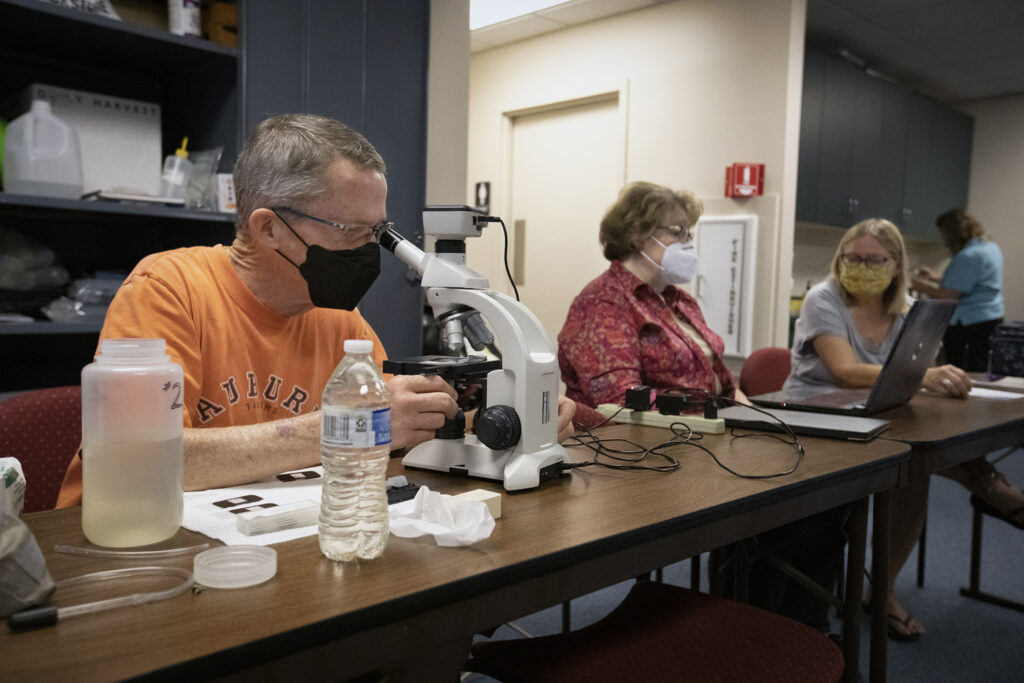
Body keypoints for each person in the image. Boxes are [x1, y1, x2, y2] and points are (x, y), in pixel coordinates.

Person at [57, 113, 575, 505]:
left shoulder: (336, 316)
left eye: (379, 232)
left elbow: (395, 436)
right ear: (269, 229)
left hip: (272, 532)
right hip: (134, 549)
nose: (369, 252)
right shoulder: (167, 290)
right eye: (352, 232)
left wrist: (519, 422)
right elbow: (138, 462)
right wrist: (354, 426)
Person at [787, 217, 1024, 641]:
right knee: (910, 458)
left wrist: (936, 376)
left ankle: (881, 590)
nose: (860, 265)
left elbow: (911, 371)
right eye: (851, 257)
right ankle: (994, 488)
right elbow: (843, 371)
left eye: (873, 259)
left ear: (896, 265)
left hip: (878, 414)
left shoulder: (912, 308)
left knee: (914, 467)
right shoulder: (823, 298)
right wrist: (925, 377)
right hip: (816, 416)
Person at [558, 181, 744, 426]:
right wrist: (706, 422)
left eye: (688, 233)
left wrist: (758, 418)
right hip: (647, 446)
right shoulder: (602, 301)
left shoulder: (679, 299)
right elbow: (621, 401)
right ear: (638, 236)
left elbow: (722, 382)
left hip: (708, 430)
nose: (686, 242)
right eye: (677, 232)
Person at [911, 208, 1004, 372]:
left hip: (969, 325)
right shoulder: (990, 247)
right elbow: (974, 281)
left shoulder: (969, 256)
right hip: (989, 318)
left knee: (964, 370)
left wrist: (920, 286)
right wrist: (936, 277)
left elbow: (947, 297)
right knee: (981, 368)